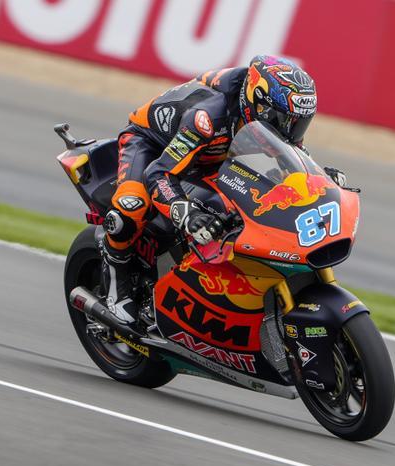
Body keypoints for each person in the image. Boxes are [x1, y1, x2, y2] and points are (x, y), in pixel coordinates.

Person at [98, 54, 343, 326]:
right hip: (150, 147)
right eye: (284, 119)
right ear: (257, 103)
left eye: (298, 122)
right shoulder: (208, 116)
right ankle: (115, 282)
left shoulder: (264, 114)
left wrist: (318, 178)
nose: (290, 129)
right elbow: (159, 173)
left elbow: (290, 155)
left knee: (234, 210)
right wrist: (187, 214)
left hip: (209, 156)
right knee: (131, 207)